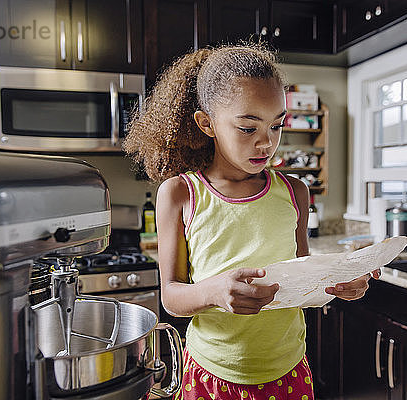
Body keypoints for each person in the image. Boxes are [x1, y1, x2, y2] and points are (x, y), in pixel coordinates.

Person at [124, 44, 380, 400]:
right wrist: (213, 291)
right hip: (211, 375)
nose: (267, 142)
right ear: (207, 124)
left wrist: (340, 284)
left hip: (288, 370)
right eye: (248, 127)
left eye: (276, 125)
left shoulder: (295, 193)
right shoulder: (181, 193)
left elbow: (304, 281)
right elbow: (171, 296)